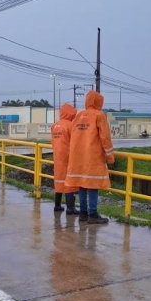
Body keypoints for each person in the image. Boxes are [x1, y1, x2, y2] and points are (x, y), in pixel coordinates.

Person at [65, 91, 115, 224]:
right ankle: (92, 214)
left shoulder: (78, 116)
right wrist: (110, 156)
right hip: (92, 156)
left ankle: (83, 213)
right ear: (99, 101)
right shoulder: (99, 115)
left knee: (82, 184)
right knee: (93, 184)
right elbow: (105, 137)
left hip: (78, 156)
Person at [51, 103, 80, 215]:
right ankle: (70, 208)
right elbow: (75, 142)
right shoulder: (70, 125)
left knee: (59, 180)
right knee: (69, 182)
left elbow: (53, 142)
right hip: (68, 156)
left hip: (57, 156)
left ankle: (57, 205)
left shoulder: (54, 126)